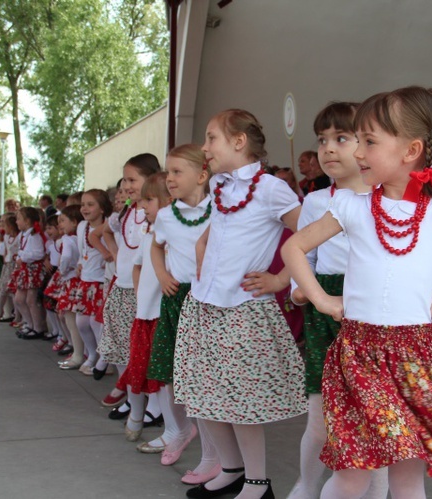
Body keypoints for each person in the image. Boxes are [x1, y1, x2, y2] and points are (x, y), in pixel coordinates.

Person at [282, 87, 432, 499]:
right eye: (357, 140)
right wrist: (322, 300)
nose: (358, 151)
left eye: (369, 141)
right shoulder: (351, 206)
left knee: (407, 478)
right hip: (358, 355)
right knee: (351, 475)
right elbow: (294, 247)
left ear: (411, 150)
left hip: (417, 359)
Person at [173, 109, 306, 499]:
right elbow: (219, 231)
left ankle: (258, 482)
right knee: (203, 393)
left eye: (211, 138)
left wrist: (282, 279)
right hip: (204, 304)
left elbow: (312, 235)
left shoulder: (271, 188)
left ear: (238, 142)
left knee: (240, 400)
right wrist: (202, 249)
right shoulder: (219, 186)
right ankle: (231, 469)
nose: (204, 147)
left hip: (242, 308)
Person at [287, 101, 387, 499]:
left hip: (375, 315)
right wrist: (303, 288)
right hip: (325, 312)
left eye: (341, 139)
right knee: (320, 419)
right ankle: (307, 484)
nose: (328, 149)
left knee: (376, 418)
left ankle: (376, 493)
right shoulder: (314, 202)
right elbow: (303, 258)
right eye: (323, 140)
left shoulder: (389, 197)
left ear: (366, 143)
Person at [145, 145, 217, 482]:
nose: (169, 179)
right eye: (167, 172)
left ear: (202, 176)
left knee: (203, 384)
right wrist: (161, 274)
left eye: (177, 172)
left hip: (207, 302)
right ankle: (180, 429)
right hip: (176, 301)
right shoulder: (165, 216)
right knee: (174, 377)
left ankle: (212, 456)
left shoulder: (220, 210)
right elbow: (156, 246)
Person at [96, 155, 160, 407]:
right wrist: (113, 252)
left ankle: (152, 405)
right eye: (125, 179)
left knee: (144, 350)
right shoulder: (126, 212)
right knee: (122, 347)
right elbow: (105, 232)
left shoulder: (153, 212)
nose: (127, 185)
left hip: (144, 291)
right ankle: (133, 397)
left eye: (132, 179)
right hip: (122, 285)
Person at [120, 172, 169, 444]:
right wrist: (140, 294)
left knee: (159, 374)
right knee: (138, 366)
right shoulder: (148, 233)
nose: (142, 206)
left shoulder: (176, 234)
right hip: (145, 313)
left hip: (163, 315)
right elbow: (138, 264)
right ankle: (136, 414)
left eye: (148, 200)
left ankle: (167, 425)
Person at [57, 191, 111, 370]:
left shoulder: (108, 226)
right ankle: (92, 353)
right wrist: (80, 263)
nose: (85, 208)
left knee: (96, 322)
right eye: (83, 205)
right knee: (81, 322)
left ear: (102, 208)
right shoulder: (81, 226)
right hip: (85, 280)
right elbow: (82, 251)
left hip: (100, 281)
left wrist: (106, 261)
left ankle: (104, 358)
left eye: (90, 204)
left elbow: (112, 249)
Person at [51, 205, 84, 359]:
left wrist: (62, 270)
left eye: (63, 221)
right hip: (79, 280)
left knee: (70, 318)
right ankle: (80, 351)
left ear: (75, 222)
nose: (60, 225)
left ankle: (77, 353)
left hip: (70, 280)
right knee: (74, 318)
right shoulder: (80, 237)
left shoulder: (67, 239)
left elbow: (65, 258)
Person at [12, 207, 48, 339]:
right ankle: (29, 323)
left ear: (27, 221)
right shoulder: (23, 235)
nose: (16, 222)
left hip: (33, 269)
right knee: (19, 299)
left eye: (19, 219)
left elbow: (39, 253)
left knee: (31, 300)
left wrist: (24, 257)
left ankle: (37, 327)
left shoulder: (34, 235)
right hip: (25, 269)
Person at [0, 214, 20, 324]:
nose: (4, 228)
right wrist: (5, 258)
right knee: (2, 289)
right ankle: (0, 311)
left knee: (14, 292)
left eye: (6, 226)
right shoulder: (6, 237)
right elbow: (5, 251)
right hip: (8, 265)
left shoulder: (19, 237)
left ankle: (17, 316)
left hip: (16, 266)